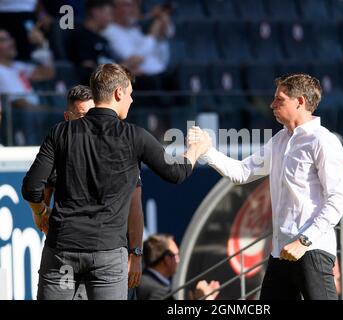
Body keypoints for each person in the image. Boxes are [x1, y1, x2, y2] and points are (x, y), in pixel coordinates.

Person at [21, 63, 203, 300]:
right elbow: (176, 174)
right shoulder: (135, 137)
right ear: (118, 93)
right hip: (107, 256)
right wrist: (195, 151)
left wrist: (40, 212)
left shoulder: (61, 132)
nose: (131, 100)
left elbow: (31, 187)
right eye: (130, 94)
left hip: (62, 250)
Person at [188, 73, 343, 300]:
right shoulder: (279, 140)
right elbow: (242, 173)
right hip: (281, 252)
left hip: (311, 249)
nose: (272, 105)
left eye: (279, 99)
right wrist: (207, 151)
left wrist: (304, 241)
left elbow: (338, 199)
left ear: (300, 102)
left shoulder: (324, 141)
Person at [38, 85, 143, 300]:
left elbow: (135, 207)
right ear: (68, 117)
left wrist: (136, 254)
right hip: (68, 256)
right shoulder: (59, 149)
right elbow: (40, 194)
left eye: (92, 114)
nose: (90, 121)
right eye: (83, 116)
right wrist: (41, 214)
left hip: (109, 256)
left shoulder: (119, 148)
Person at [66, 0, 142, 85]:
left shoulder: (103, 39)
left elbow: (110, 62)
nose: (111, 18)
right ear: (96, 12)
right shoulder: (81, 37)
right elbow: (89, 72)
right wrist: (125, 66)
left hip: (113, 83)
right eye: (109, 13)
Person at [0, 28, 54, 145]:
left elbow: (48, 73)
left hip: (35, 116)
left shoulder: (17, 66)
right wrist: (50, 111)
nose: (11, 43)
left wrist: (42, 45)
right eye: (3, 40)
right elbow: (18, 103)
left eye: (10, 38)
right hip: (19, 122)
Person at [136, 234, 220, 300]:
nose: (178, 260)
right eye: (176, 255)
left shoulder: (140, 281)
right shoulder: (159, 291)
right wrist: (208, 299)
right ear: (167, 260)